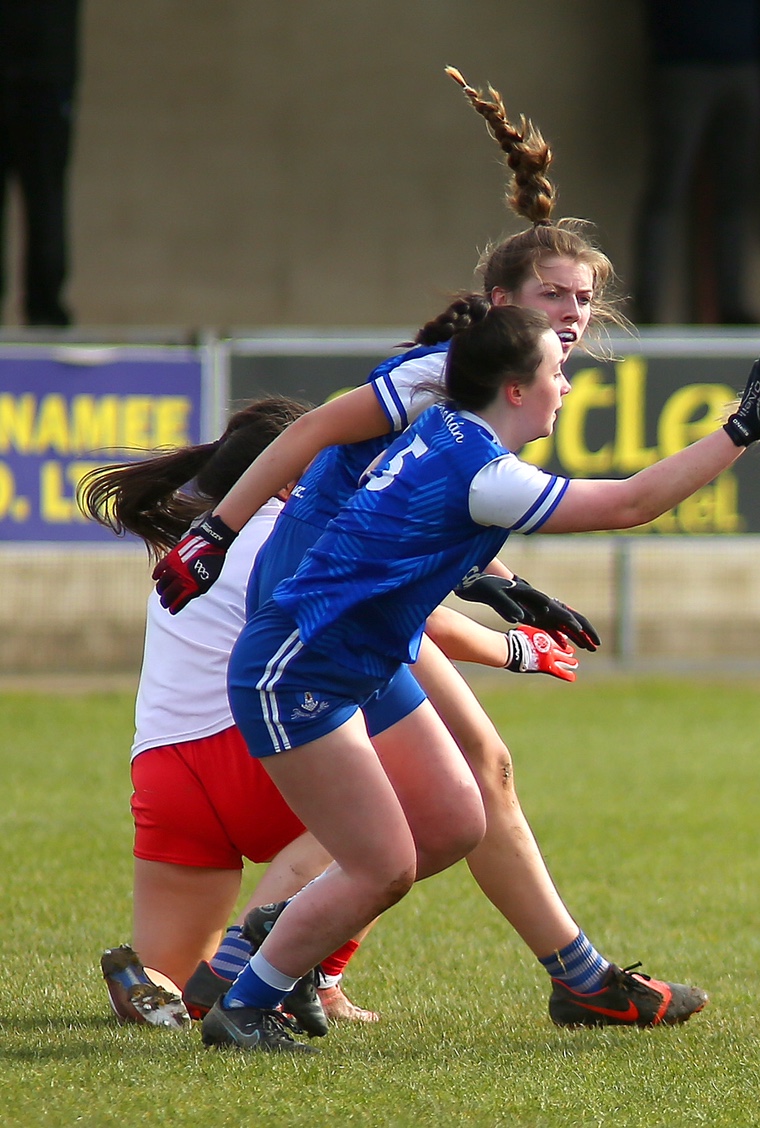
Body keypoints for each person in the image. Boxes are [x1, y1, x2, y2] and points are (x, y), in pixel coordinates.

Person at [148, 72, 749, 1048]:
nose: (571, 316)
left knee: (459, 806)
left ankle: (272, 962)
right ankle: (274, 968)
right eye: (550, 297)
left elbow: (430, 514)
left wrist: (505, 587)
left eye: (582, 300)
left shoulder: (502, 396)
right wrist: (215, 533)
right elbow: (318, 441)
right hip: (322, 606)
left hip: (355, 605)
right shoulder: (447, 377)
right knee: (418, 816)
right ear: (499, 305)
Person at [81, 399, 576, 1034]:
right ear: (290, 477)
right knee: (410, 811)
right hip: (253, 753)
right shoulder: (296, 535)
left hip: (166, 777)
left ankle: (153, 984)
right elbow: (414, 619)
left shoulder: (198, 541)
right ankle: (304, 973)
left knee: (180, 981)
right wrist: (517, 650)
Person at [631, 0, 760, 324]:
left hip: (744, 62)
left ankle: (731, 306)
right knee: (667, 190)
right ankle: (648, 309)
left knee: (736, 193)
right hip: (682, 64)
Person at [0, 0, 79, 326]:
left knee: (46, 198)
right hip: (42, 73)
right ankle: (45, 309)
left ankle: (46, 310)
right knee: (46, 196)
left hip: (46, 76)